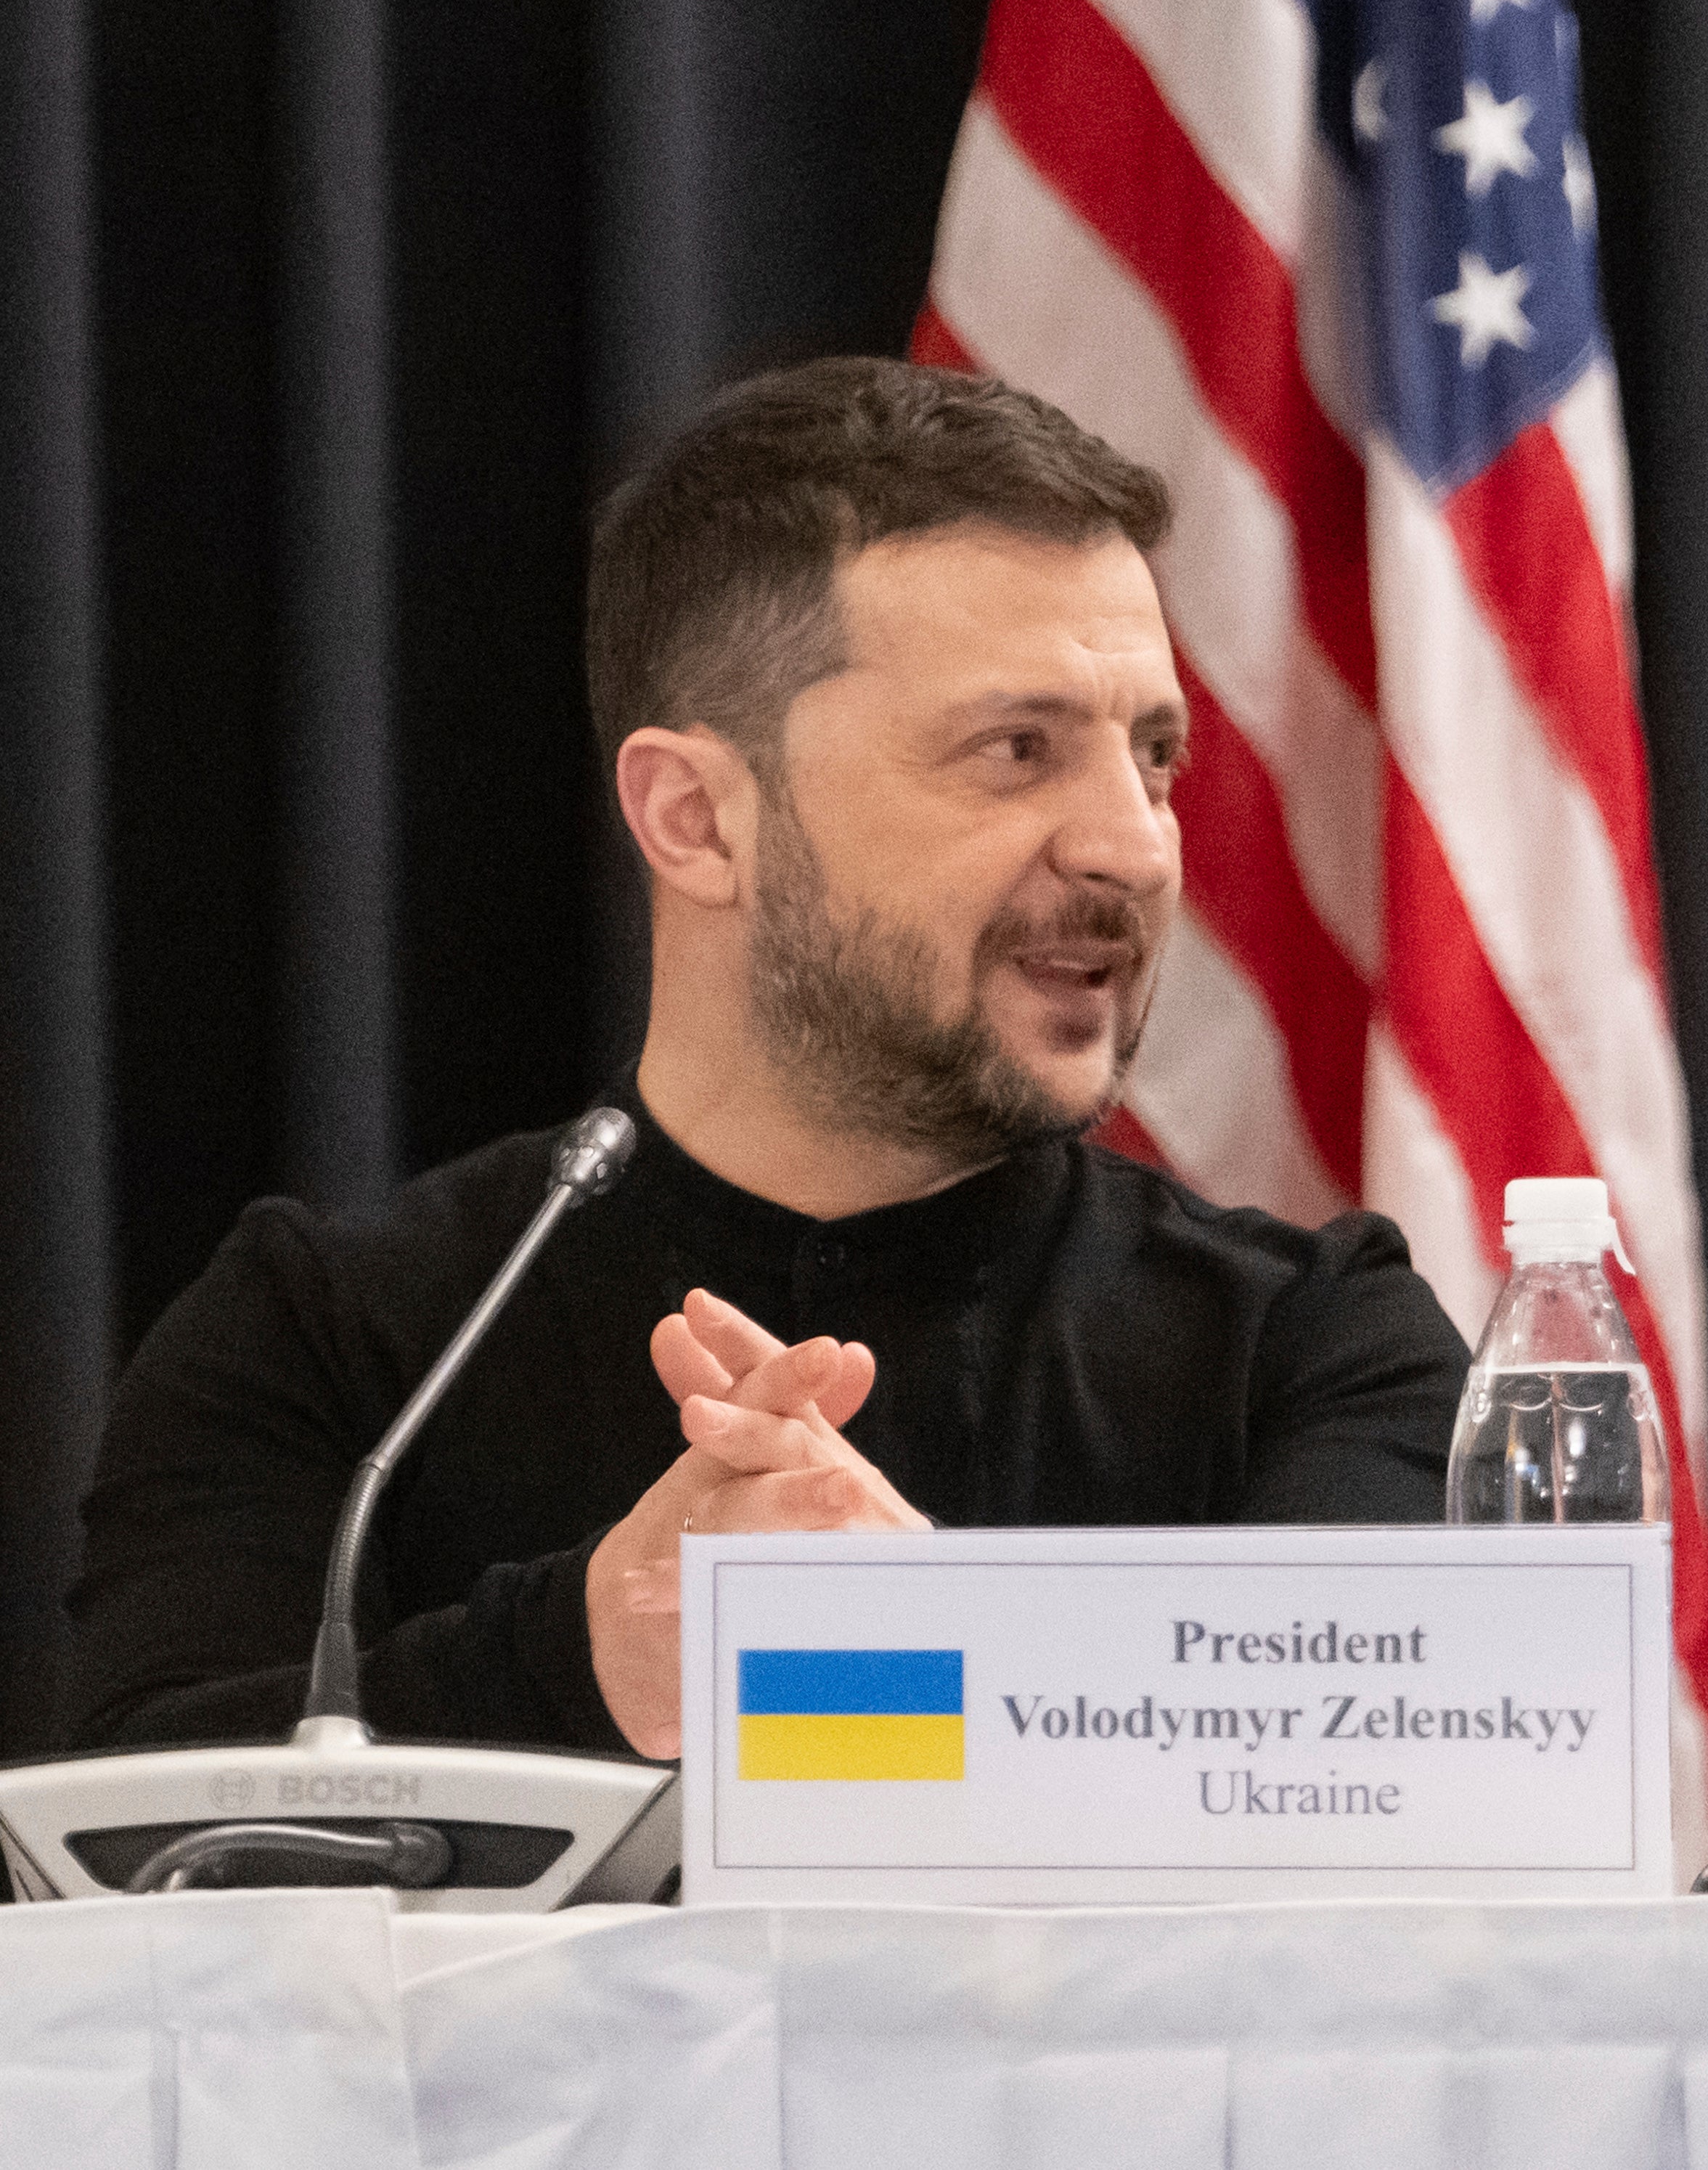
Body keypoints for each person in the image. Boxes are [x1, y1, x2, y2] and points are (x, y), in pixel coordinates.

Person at [70, 359, 1466, 1760]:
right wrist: (590, 1661)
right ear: (696, 819)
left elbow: (1367, 1800)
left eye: (1153, 756)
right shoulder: (333, 1341)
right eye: (1018, 749)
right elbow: (141, 1861)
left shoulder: (1318, 1349)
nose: (1135, 844)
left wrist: (903, 1670)